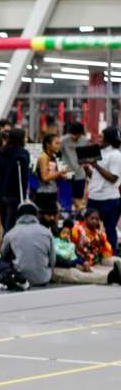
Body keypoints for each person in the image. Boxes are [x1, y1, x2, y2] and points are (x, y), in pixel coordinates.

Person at [52, 208, 121, 285]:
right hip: (81, 260)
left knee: (115, 260)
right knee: (88, 273)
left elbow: (107, 252)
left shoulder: (97, 231)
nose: (94, 221)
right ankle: (113, 276)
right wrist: (80, 245)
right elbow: (72, 249)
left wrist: (102, 237)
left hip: (96, 259)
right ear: (85, 218)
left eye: (97, 219)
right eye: (92, 218)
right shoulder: (77, 229)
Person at [85, 127, 121, 255]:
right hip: (93, 197)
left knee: (109, 229)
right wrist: (86, 168)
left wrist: (96, 166)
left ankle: (112, 256)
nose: (99, 139)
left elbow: (113, 178)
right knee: (88, 227)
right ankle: (91, 253)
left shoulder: (116, 155)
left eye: (102, 137)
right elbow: (94, 176)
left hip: (109, 199)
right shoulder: (99, 153)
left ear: (109, 139)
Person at [1, 202, 55, 286]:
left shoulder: (11, 233)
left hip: (20, 280)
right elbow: (53, 261)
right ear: (36, 215)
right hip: (43, 279)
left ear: (18, 216)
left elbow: (3, 256)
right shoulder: (47, 232)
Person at [0, 128, 30, 234]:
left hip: (1, 192)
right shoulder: (22, 153)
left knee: (5, 222)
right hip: (15, 193)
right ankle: (10, 248)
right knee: (13, 223)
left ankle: (5, 246)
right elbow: (23, 175)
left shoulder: (1, 152)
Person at [60, 122, 89, 215]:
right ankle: (66, 215)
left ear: (81, 133)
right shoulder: (63, 140)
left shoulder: (85, 141)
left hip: (80, 174)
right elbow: (56, 153)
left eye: (77, 134)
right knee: (66, 198)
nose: (74, 136)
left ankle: (78, 216)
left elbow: (86, 156)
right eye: (72, 134)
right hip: (66, 174)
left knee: (78, 198)